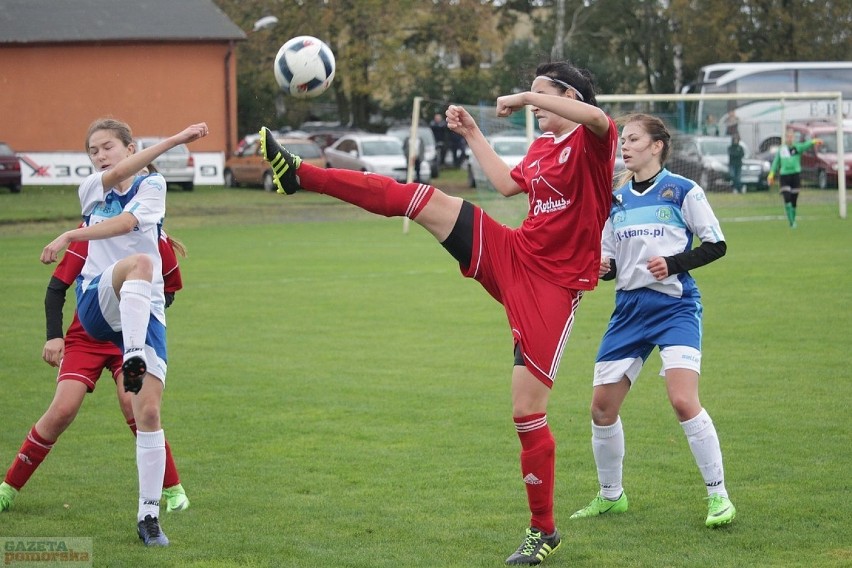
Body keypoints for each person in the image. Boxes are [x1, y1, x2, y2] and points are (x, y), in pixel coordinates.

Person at [260, 60, 617, 566]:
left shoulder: (592, 139)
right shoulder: (541, 148)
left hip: (553, 289)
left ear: (569, 96)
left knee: (525, 411)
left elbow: (598, 119)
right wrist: (473, 132)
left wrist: (523, 99)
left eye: (542, 95)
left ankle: (544, 531)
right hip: (513, 253)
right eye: (531, 94)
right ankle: (301, 175)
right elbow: (507, 186)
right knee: (423, 199)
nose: (533, 104)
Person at [39, 118, 208, 546]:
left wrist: (68, 233)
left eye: (107, 146)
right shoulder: (92, 188)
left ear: (130, 147)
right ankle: (132, 355)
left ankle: (148, 518)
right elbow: (114, 187)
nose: (99, 156)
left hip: (144, 310)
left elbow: (131, 223)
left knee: (147, 413)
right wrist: (177, 139)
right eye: (92, 150)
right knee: (141, 265)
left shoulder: (154, 186)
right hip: (98, 301)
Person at [569, 113, 735, 529]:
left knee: (682, 400)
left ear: (657, 145)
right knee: (601, 410)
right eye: (623, 139)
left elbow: (717, 245)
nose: (625, 146)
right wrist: (600, 268)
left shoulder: (683, 190)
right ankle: (611, 497)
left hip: (675, 307)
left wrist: (674, 263)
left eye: (634, 139)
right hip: (628, 310)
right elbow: (609, 262)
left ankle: (719, 497)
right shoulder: (616, 198)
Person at [0, 228, 190, 516]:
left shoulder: (155, 237)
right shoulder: (93, 234)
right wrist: (54, 336)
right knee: (62, 409)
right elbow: (56, 289)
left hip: (129, 341)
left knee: (136, 405)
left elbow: (169, 293)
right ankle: (8, 488)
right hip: (85, 337)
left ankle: (173, 489)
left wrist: (136, 308)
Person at [767, 128, 823, 228]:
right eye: (788, 136)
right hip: (784, 176)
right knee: (787, 198)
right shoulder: (782, 149)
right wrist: (771, 174)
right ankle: (792, 221)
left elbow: (806, 145)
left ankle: (793, 220)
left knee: (794, 200)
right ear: (785, 138)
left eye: (791, 137)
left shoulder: (797, 148)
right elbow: (776, 162)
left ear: (794, 138)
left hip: (795, 175)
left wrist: (814, 141)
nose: (790, 138)